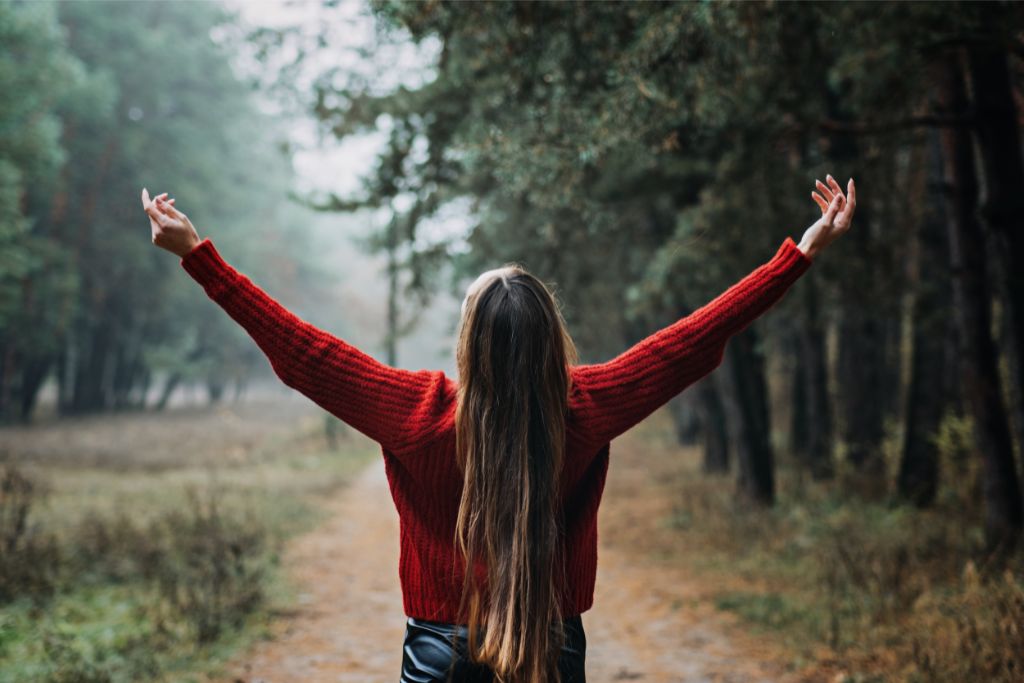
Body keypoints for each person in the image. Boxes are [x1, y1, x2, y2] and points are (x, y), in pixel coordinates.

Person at [140, 174, 856, 683]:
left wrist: (201, 256)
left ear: (468, 342)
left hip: (439, 653)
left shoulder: (416, 413)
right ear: (551, 341)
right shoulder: (584, 406)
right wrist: (799, 255)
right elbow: (689, 341)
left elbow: (303, 352)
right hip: (552, 649)